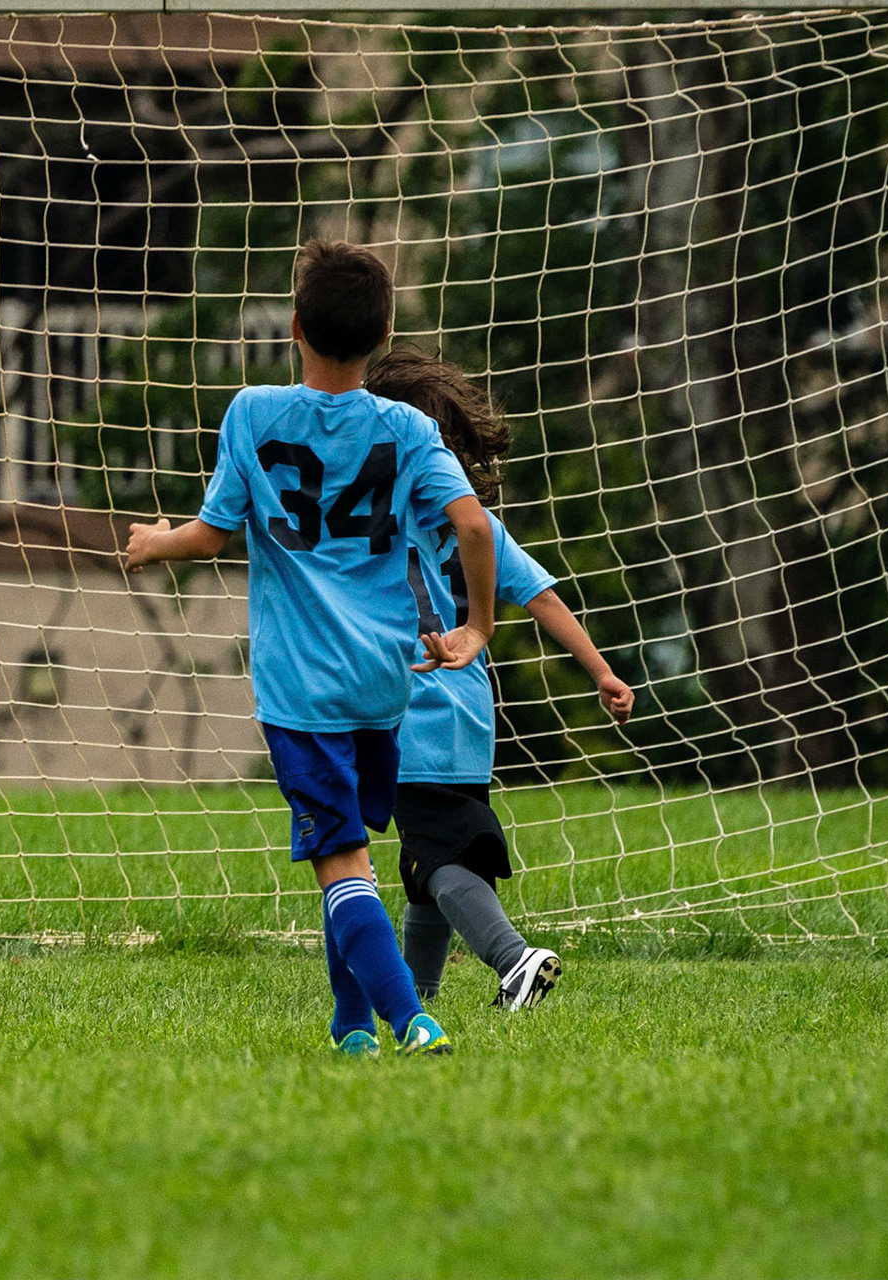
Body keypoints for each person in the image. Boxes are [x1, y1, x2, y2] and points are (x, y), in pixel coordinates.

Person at [125, 240, 497, 1056]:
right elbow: (473, 524)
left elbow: (215, 534)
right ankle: (351, 1024)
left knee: (341, 865)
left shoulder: (255, 412)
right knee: (354, 855)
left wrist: (157, 543)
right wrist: (477, 627)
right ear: (384, 332)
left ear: (294, 326)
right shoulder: (406, 427)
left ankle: (412, 1018)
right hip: (382, 682)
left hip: (301, 691)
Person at [365, 349, 633, 1009]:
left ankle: (514, 960)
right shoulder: (478, 528)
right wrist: (601, 670)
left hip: (411, 720)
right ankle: (418, 996)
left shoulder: (373, 529)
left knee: (439, 859)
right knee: (426, 868)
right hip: (469, 721)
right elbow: (541, 596)